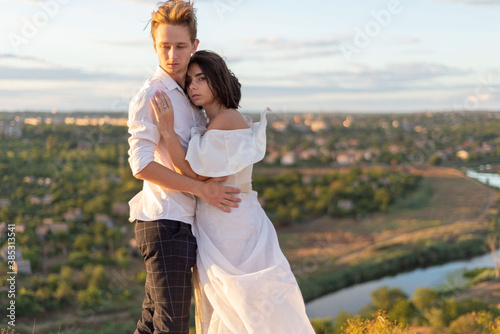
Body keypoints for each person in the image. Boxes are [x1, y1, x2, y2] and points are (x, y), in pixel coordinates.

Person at [151, 50, 315, 334]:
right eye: (189, 81)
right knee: (227, 304)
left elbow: (193, 173)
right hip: (221, 221)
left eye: (201, 79)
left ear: (218, 81)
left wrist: (166, 132)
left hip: (231, 223)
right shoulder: (211, 122)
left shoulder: (227, 119)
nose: (192, 86)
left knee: (240, 303)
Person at [127, 1, 241, 333]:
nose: (172, 54)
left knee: (152, 324)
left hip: (182, 224)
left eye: (180, 46)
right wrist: (201, 189)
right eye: (165, 46)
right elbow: (142, 165)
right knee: (172, 327)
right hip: (164, 222)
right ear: (154, 46)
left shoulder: (189, 96)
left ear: (194, 46)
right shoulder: (153, 94)